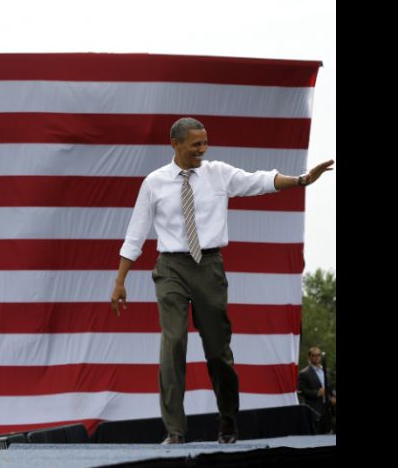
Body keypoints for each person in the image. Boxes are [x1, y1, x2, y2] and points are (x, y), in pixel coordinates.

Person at [110, 117, 334, 444]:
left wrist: (300, 180)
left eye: (205, 142)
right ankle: (174, 430)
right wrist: (120, 281)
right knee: (172, 344)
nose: (203, 148)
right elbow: (135, 233)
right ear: (175, 144)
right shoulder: (154, 183)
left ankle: (228, 422)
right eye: (196, 144)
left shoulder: (218, 174)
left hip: (208, 267)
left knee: (217, 352)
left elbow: (259, 181)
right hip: (170, 267)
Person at [297, 346, 333, 433]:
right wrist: (317, 393)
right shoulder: (304, 373)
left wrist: (332, 397)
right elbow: (300, 391)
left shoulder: (326, 371)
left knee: (328, 437)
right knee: (316, 436)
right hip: (314, 410)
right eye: (314, 355)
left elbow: (329, 387)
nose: (317, 357)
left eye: (318, 355)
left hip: (328, 409)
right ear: (309, 357)